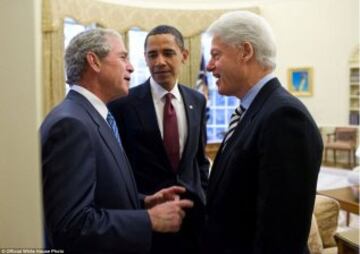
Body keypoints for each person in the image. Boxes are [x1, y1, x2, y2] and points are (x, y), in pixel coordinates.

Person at [40, 28, 194, 254]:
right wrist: (148, 220)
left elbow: (100, 195)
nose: (131, 66)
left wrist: (142, 202)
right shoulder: (71, 125)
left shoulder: (93, 116)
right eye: (123, 57)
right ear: (94, 61)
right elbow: (71, 226)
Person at [201, 11, 323, 254]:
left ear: (245, 51)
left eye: (216, 55)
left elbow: (281, 235)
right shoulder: (252, 110)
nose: (210, 66)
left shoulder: (284, 118)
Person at [108, 25, 210, 254]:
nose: (160, 61)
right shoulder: (122, 104)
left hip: (193, 220)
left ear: (184, 56)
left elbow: (199, 160)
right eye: (152, 55)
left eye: (168, 53)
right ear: (145, 58)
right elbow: (117, 168)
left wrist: (203, 194)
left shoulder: (197, 100)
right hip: (146, 221)